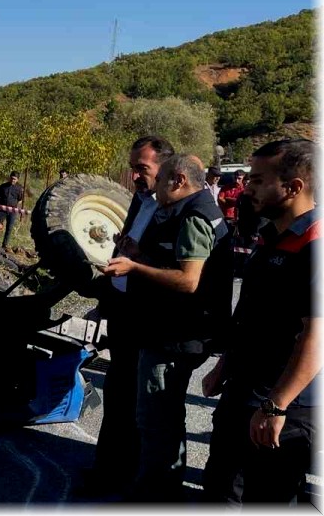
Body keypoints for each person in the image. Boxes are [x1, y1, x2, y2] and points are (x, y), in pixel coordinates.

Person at [104, 153, 233, 502]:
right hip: (175, 332)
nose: (155, 187)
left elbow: (189, 281)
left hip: (175, 336)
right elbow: (177, 263)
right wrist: (141, 256)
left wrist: (134, 267)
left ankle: (154, 494)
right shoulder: (193, 209)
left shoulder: (193, 216)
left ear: (178, 181)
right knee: (165, 416)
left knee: (157, 418)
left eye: (160, 180)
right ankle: (160, 489)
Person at [201, 139, 319, 505]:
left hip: (286, 406)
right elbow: (251, 313)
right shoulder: (270, 236)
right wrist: (224, 365)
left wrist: (276, 405)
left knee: (268, 498)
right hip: (243, 390)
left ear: (293, 187)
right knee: (220, 489)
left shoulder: (315, 244)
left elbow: (316, 336)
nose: (246, 188)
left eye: (257, 180)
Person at [80, 135, 175, 499]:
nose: (135, 176)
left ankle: (130, 476)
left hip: (146, 319)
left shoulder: (174, 210)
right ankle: (107, 469)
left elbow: (176, 271)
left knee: (139, 404)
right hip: (122, 311)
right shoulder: (140, 200)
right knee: (118, 395)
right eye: (133, 168)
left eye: (142, 168)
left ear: (164, 168)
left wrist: (138, 260)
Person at [0, 171, 25, 249]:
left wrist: (14, 206)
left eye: (14, 179)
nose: (12, 180)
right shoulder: (3, 186)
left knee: (9, 228)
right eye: (11, 178)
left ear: (17, 179)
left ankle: (4, 245)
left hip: (12, 211)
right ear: (9, 177)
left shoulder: (19, 188)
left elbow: (20, 200)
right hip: (2, 210)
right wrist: (1, 204)